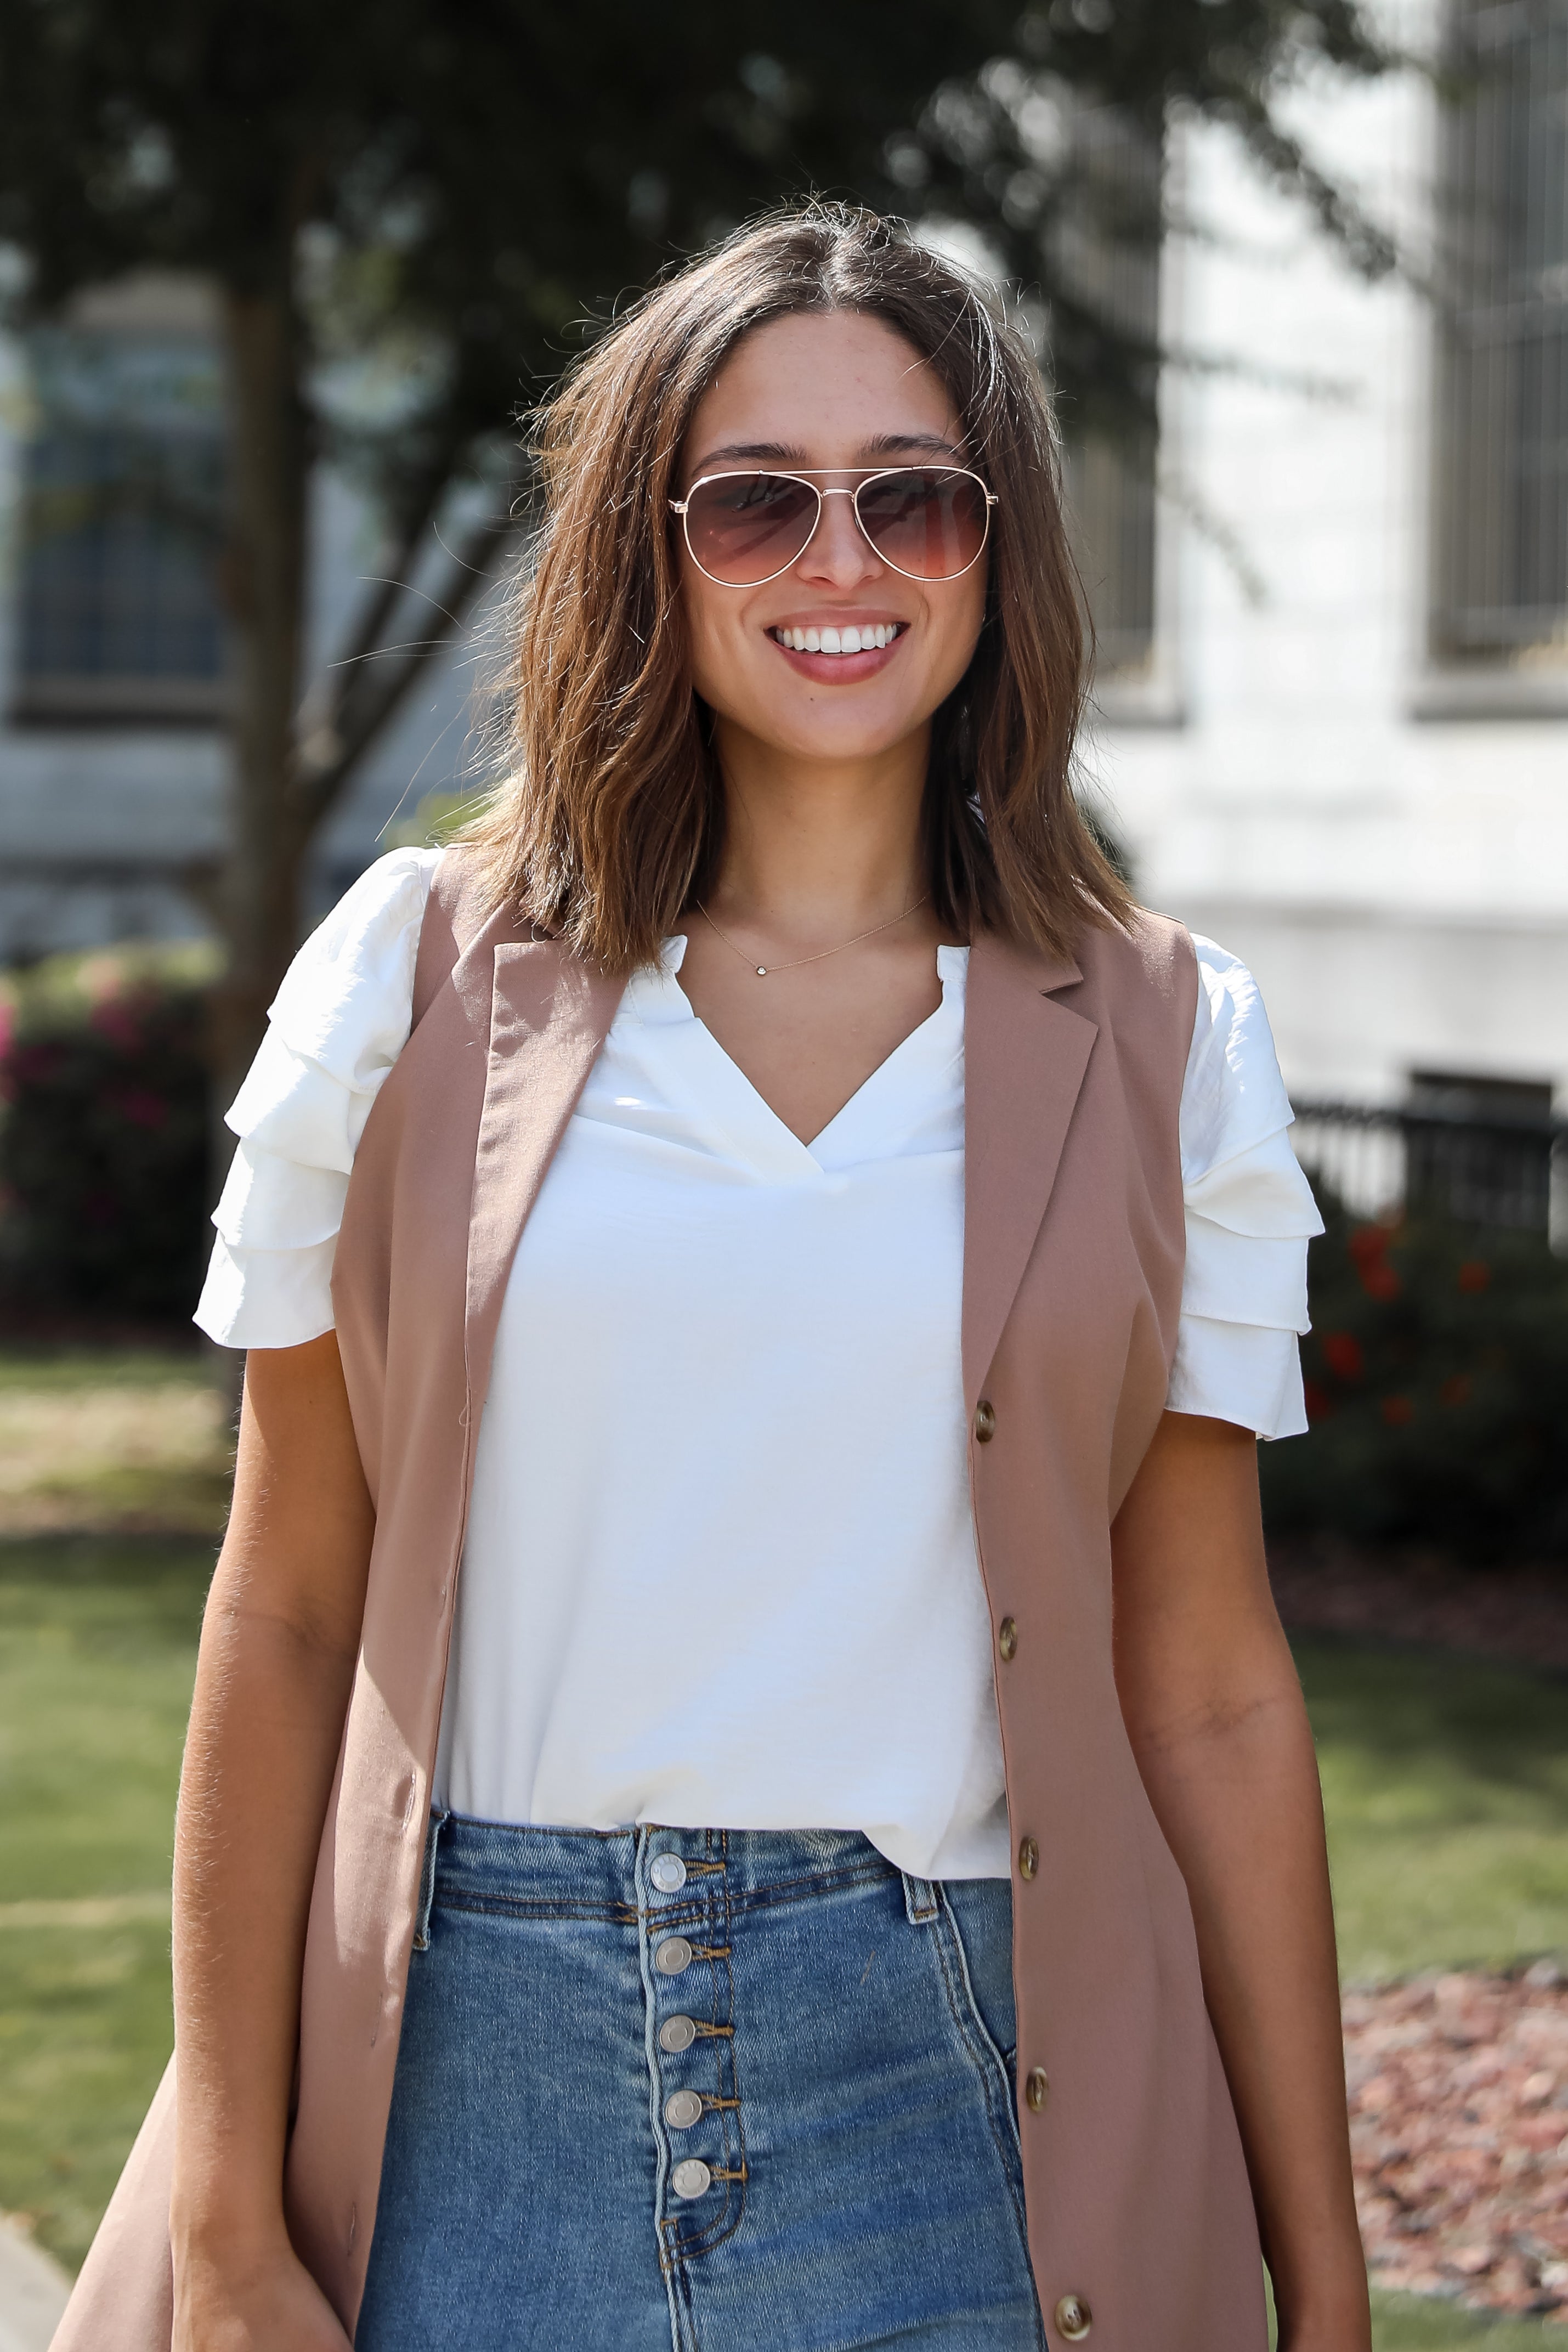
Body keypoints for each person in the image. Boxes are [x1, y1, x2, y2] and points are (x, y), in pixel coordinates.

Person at [54, 205, 1364, 2352]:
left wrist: (1320, 2285)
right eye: (754, 502)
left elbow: (1209, 1680)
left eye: (909, 498)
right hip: (463, 2092)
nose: (835, 563)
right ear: (647, 555)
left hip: (957, 2121)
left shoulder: (1165, 1034)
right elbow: (284, 1601)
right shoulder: (408, 976)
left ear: (992, 546)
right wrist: (222, 2216)